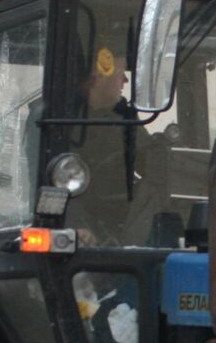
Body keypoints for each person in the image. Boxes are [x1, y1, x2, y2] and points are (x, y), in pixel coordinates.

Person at [63, 44, 166, 246]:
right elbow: (50, 183)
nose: (125, 80)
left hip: (118, 227)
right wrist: (75, 226)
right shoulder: (55, 117)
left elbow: (148, 163)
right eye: (120, 72)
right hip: (75, 234)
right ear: (98, 75)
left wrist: (162, 149)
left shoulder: (123, 117)